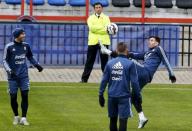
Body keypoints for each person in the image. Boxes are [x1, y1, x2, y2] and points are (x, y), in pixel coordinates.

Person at [100, 36, 176, 128]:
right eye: (149, 40)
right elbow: (133, 54)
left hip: (145, 71)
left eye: (152, 40)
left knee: (128, 60)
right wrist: (128, 54)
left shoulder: (158, 49)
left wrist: (171, 74)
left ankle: (106, 51)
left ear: (157, 43)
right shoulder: (147, 53)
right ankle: (142, 117)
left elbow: (165, 60)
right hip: (142, 75)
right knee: (134, 94)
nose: (149, 42)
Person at [3, 28, 43, 125]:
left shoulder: (26, 46)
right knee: (13, 97)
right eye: (22, 34)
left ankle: (24, 118)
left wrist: (37, 65)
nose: (24, 35)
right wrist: (10, 71)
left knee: (25, 95)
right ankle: (16, 116)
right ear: (17, 35)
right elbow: (4, 61)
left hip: (24, 76)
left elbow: (30, 56)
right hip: (12, 77)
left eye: (24, 33)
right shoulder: (9, 47)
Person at [99, 42, 141, 131]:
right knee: (123, 121)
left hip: (112, 96)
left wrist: (100, 95)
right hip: (124, 96)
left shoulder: (110, 63)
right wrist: (138, 96)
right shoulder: (130, 64)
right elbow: (135, 82)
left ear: (117, 51)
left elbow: (104, 80)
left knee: (112, 120)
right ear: (126, 51)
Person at [80, 2, 111, 83]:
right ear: (94, 9)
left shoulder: (106, 17)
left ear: (102, 8)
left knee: (104, 62)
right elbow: (92, 28)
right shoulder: (90, 18)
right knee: (89, 61)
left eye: (99, 7)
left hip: (104, 42)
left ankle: (106, 80)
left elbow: (107, 29)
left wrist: (97, 29)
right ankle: (84, 79)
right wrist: (102, 29)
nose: (98, 9)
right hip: (93, 42)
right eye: (96, 7)